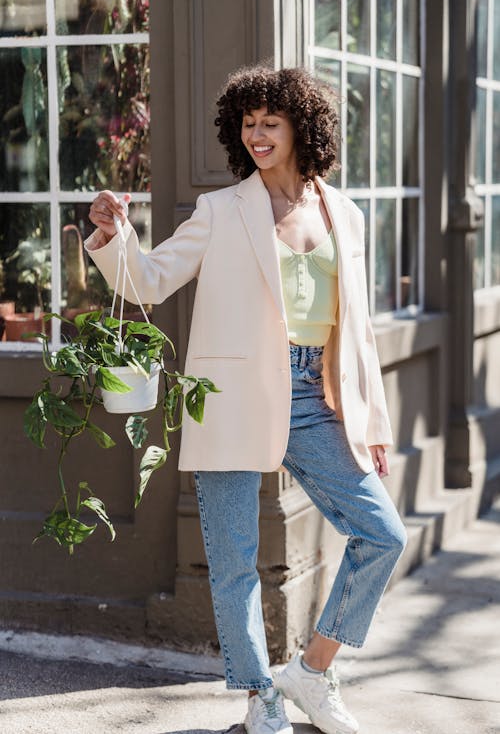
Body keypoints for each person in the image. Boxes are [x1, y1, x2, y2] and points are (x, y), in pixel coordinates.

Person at [87, 65, 407, 734]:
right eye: (248, 123)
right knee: (233, 563)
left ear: (300, 127)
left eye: (271, 122)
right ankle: (260, 694)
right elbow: (147, 283)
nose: (258, 135)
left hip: (317, 395)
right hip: (232, 395)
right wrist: (116, 234)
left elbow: (360, 332)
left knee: (381, 533)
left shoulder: (342, 213)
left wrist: (372, 421)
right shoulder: (221, 211)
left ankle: (311, 673)